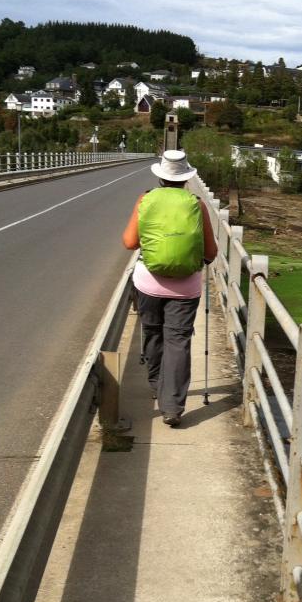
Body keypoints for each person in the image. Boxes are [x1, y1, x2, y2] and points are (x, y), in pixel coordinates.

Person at [122, 149, 217, 427]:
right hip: (186, 288)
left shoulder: (146, 199)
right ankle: (172, 407)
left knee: (152, 332)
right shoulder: (196, 204)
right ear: (187, 178)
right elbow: (211, 251)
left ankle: (156, 384)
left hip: (148, 284)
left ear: (160, 176)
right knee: (178, 342)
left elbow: (129, 242)